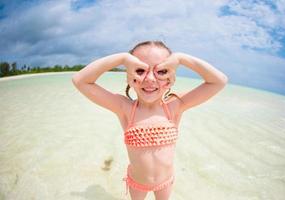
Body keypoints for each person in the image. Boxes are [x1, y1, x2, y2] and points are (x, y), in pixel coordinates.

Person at [72, 40, 228, 200]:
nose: (150, 78)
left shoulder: (175, 105)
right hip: (137, 183)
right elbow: (80, 80)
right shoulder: (124, 108)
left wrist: (181, 58)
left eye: (161, 71)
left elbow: (219, 81)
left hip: (165, 183)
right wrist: (123, 59)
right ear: (129, 77)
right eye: (140, 70)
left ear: (171, 78)